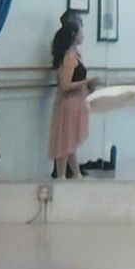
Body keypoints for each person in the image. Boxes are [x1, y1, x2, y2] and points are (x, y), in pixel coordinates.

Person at [48, 20, 97, 181]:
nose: (83, 36)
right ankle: (65, 175)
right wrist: (86, 82)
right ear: (73, 35)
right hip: (69, 103)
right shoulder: (69, 57)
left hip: (76, 101)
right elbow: (65, 84)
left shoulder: (75, 55)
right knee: (65, 143)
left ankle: (76, 175)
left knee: (69, 144)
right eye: (81, 33)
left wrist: (89, 86)